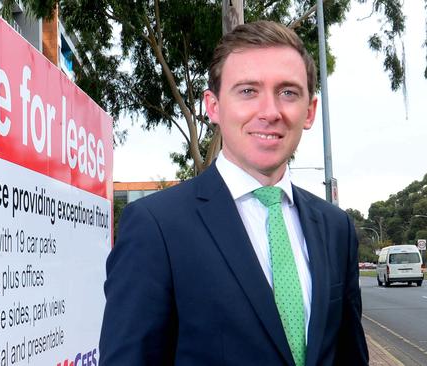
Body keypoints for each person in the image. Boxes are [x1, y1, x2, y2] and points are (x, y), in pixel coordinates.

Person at [99, 20, 369, 366]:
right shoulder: (157, 227)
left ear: (310, 111)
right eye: (247, 91)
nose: (270, 112)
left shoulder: (336, 228)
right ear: (213, 107)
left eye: (288, 92)